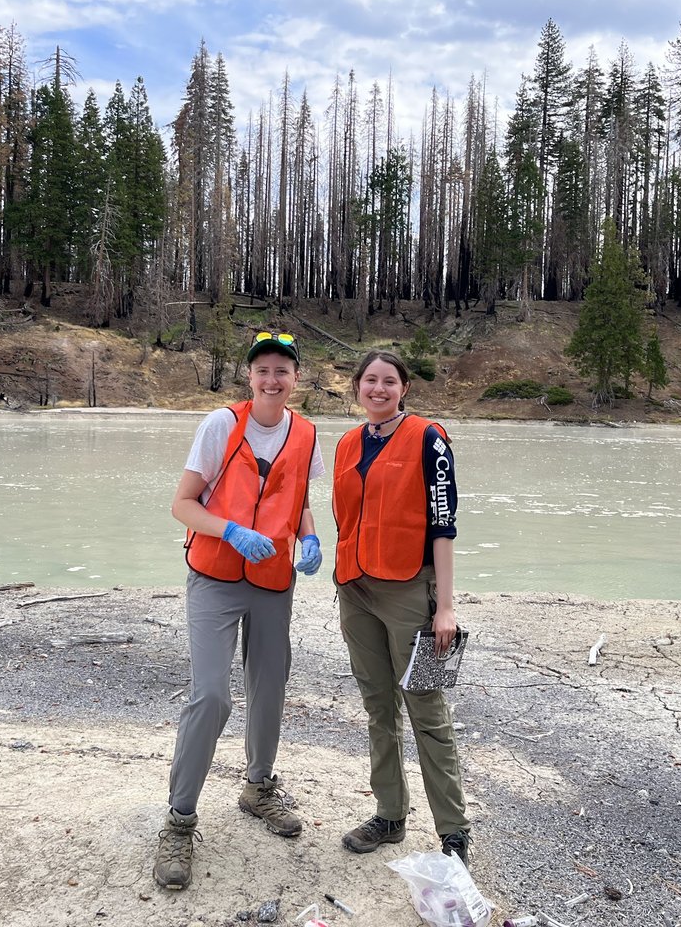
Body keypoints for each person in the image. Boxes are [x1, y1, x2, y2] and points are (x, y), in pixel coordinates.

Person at [153, 330, 326, 891]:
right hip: (216, 577)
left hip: (274, 578)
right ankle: (179, 820)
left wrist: (311, 537)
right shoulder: (221, 425)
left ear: (297, 378)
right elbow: (181, 504)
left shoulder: (305, 432)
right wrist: (228, 529)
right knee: (211, 695)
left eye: (283, 370)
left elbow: (298, 498)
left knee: (270, 685)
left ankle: (258, 787)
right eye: (262, 370)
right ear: (248, 376)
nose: (272, 379)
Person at [332, 349, 472, 867]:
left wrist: (445, 606)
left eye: (389, 381)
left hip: (411, 592)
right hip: (355, 588)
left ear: (404, 388)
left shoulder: (429, 439)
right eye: (370, 380)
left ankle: (454, 835)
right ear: (357, 387)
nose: (378, 389)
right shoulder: (348, 443)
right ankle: (390, 815)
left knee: (427, 712)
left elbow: (443, 524)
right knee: (378, 706)